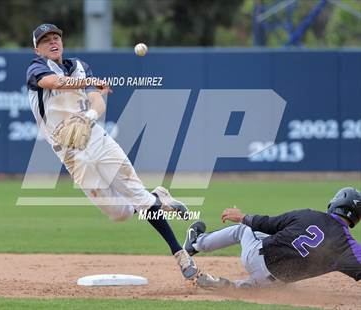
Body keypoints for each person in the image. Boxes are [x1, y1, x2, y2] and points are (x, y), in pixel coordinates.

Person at [26, 23, 198, 279]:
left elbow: (97, 99)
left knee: (137, 197)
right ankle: (158, 197)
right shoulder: (36, 68)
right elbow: (52, 82)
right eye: (45, 40)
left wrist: (89, 116)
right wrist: (88, 82)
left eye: (56, 37)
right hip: (71, 154)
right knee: (120, 213)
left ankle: (179, 254)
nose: (53, 42)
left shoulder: (80, 66)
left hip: (96, 139)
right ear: (37, 48)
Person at [183, 187, 361, 288]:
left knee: (243, 230)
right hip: (276, 281)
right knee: (277, 285)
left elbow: (269, 223)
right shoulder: (348, 247)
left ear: (336, 203)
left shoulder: (309, 215)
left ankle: (196, 243)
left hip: (256, 257)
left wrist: (243, 217)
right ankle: (236, 286)